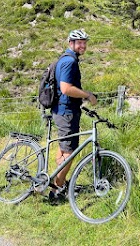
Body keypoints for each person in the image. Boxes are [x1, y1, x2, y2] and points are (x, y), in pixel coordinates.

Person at [50, 29, 97, 201]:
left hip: (63, 111)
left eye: (85, 42)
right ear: (71, 43)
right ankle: (56, 191)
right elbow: (66, 88)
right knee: (69, 152)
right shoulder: (70, 62)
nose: (83, 45)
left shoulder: (66, 58)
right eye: (79, 42)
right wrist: (87, 95)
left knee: (64, 149)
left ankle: (58, 182)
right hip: (66, 112)